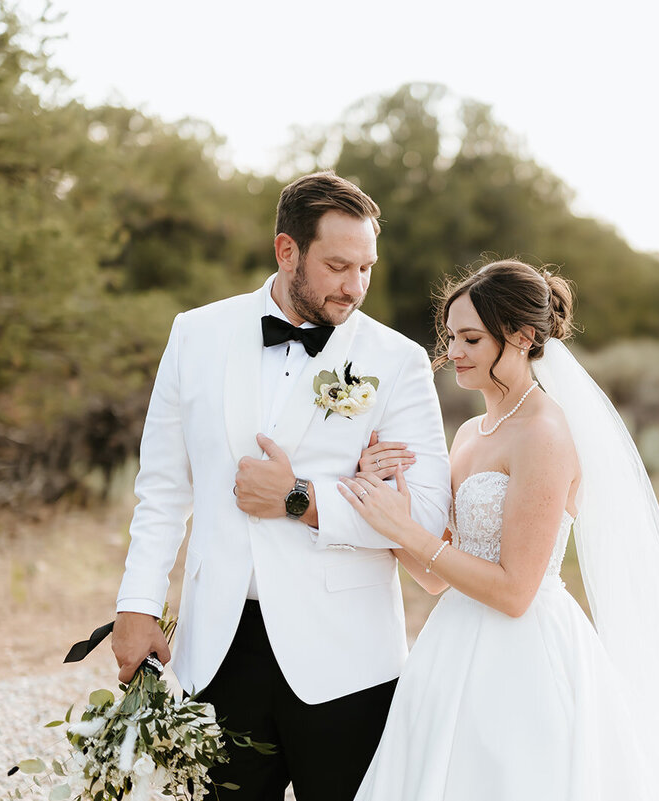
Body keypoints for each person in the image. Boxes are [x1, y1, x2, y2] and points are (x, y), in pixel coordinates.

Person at [339, 259, 659, 800]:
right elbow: (437, 578)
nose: (454, 353)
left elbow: (515, 592)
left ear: (521, 336)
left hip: (523, 658)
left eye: (470, 338)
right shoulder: (469, 432)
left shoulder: (545, 433)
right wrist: (387, 514)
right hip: (452, 646)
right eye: (451, 337)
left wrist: (413, 536)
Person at [110, 171, 452, 801]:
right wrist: (135, 605)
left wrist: (303, 500)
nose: (355, 288)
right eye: (338, 266)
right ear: (286, 251)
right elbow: (161, 488)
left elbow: (427, 519)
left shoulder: (397, 361)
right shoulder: (195, 334)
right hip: (217, 648)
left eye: (367, 268)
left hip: (347, 657)